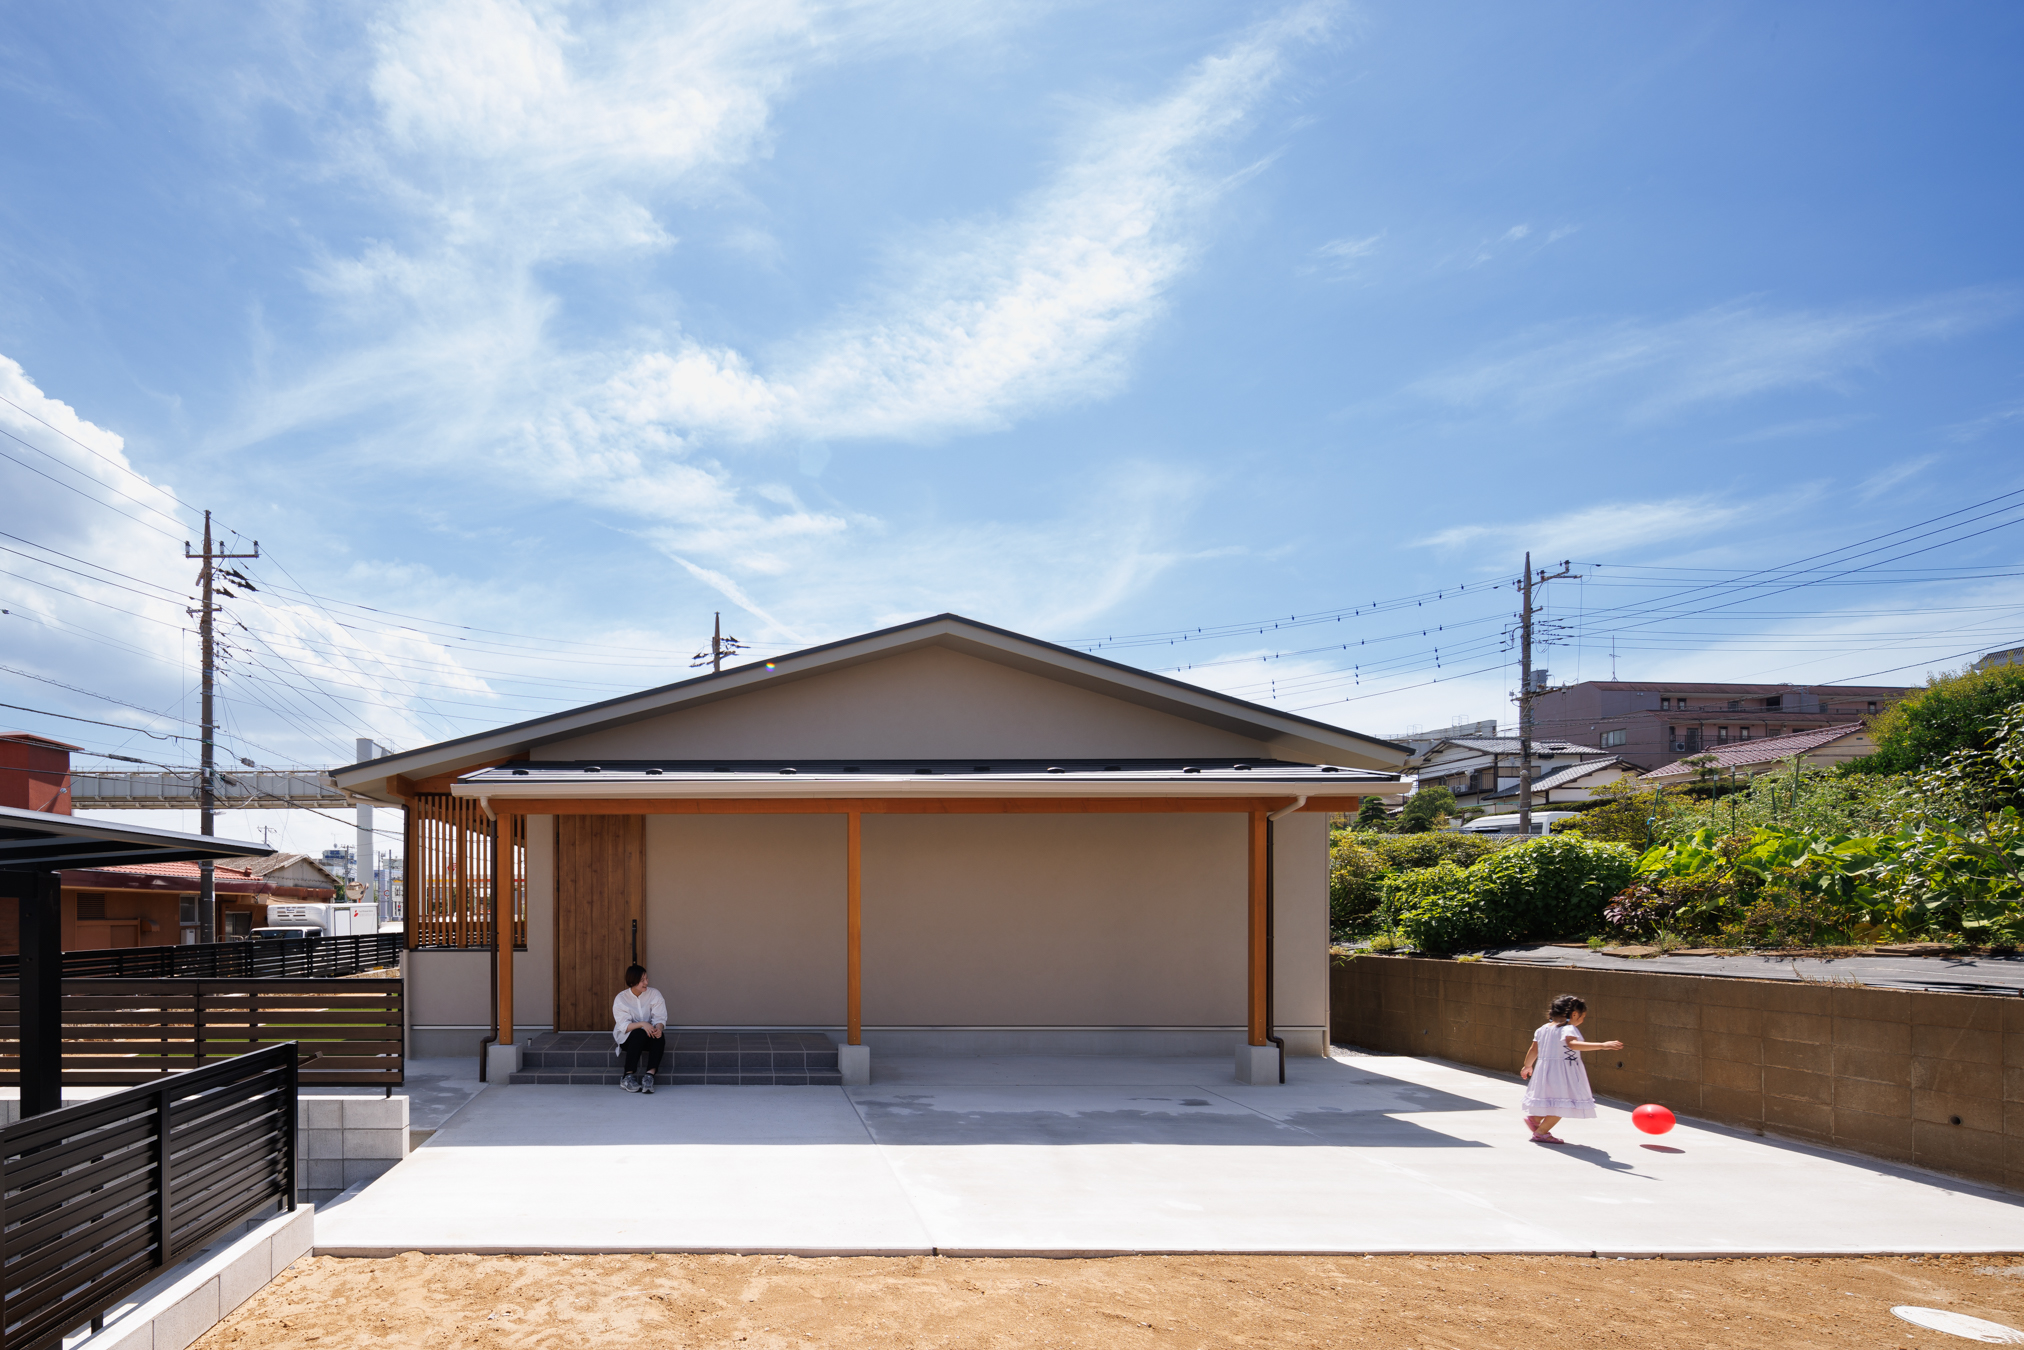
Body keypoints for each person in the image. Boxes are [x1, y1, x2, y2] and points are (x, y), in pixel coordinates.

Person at [1518, 994, 1622, 1144]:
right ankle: (1541, 1132)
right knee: (1564, 1103)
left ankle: (1535, 1118)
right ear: (1574, 1014)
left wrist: (1527, 1065)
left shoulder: (1542, 1029)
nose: (1582, 1020)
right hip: (1563, 1073)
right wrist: (1602, 1045)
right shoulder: (1568, 1029)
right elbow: (1572, 1045)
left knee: (1553, 1100)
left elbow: (1534, 1049)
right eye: (1582, 1017)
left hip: (1544, 1072)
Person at [612, 963, 667, 1094]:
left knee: (659, 1036)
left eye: (646, 978)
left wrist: (658, 1029)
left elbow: (660, 1018)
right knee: (638, 1034)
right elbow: (624, 1026)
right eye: (642, 980)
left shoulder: (654, 994)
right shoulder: (621, 998)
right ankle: (627, 1077)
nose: (646, 982)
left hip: (648, 1036)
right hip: (627, 1039)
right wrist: (642, 1024)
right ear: (632, 982)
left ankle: (649, 1076)